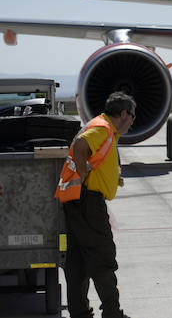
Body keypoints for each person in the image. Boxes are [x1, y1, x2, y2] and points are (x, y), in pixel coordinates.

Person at [56, 92, 135, 318]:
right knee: (102, 257)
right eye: (133, 116)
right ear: (123, 114)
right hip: (88, 202)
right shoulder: (103, 128)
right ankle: (112, 312)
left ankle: (80, 312)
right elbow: (82, 145)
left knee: (77, 261)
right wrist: (82, 178)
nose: (132, 122)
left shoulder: (101, 126)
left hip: (77, 201)